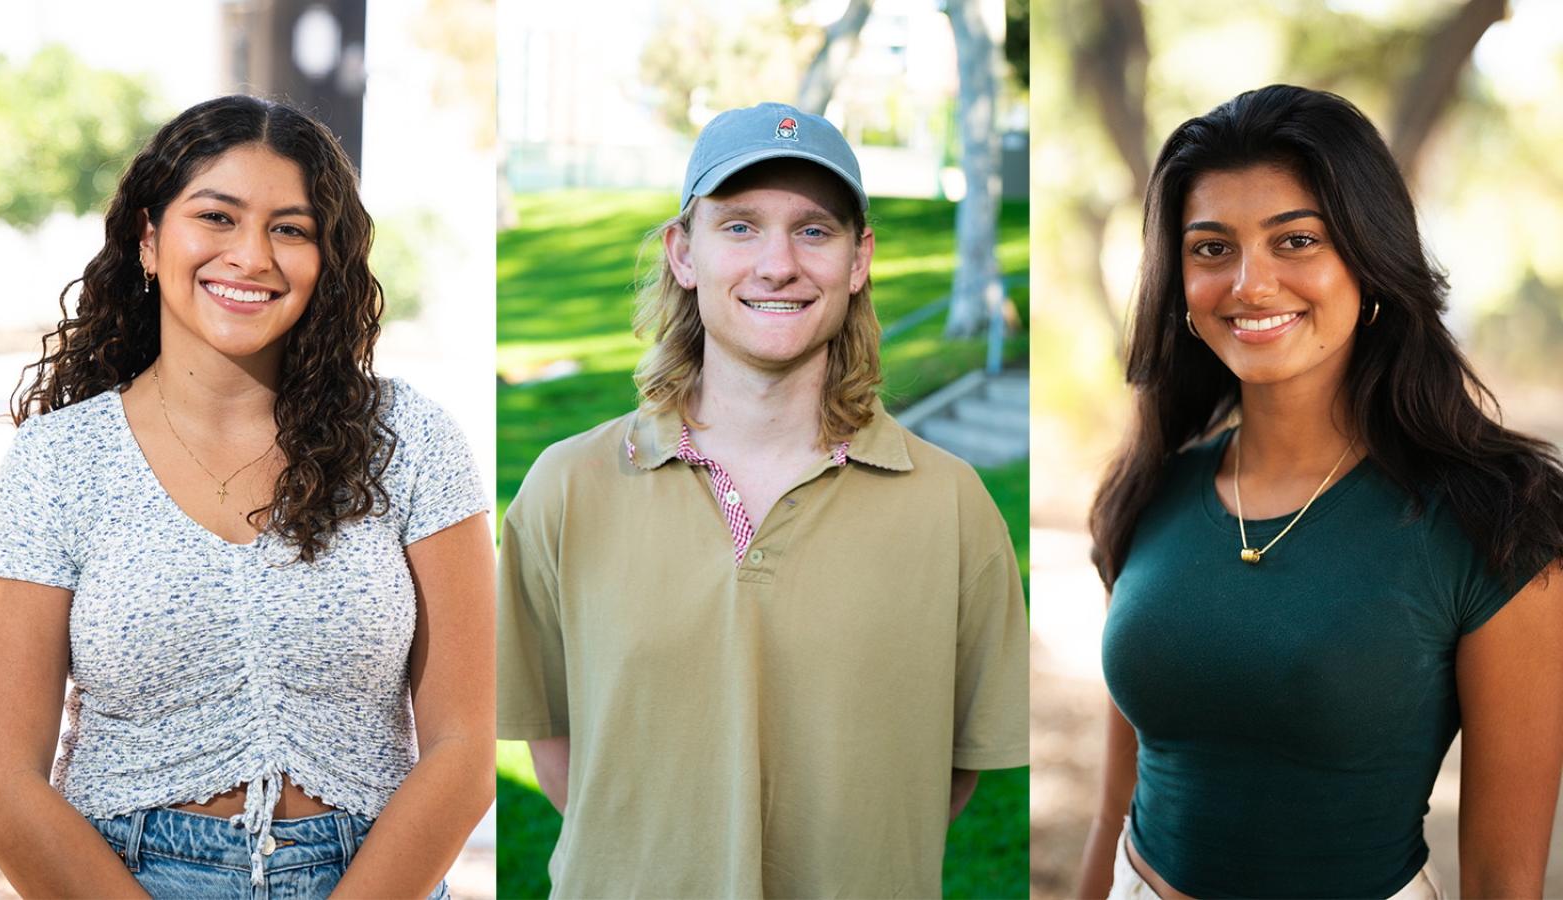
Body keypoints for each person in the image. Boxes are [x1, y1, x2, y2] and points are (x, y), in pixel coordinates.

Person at [0, 95, 495, 898]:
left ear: (327, 259)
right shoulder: (58, 461)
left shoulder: (410, 441)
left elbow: (471, 740)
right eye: (217, 217)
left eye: (291, 228)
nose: (252, 256)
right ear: (148, 237)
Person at [496, 102, 1029, 897]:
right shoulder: (567, 489)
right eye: (740, 226)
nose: (778, 263)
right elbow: (557, 744)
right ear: (684, 253)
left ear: (858, 260)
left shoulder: (952, 507)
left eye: (814, 230)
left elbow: (941, 777)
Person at [1076, 84, 1563, 899]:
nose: (1250, 284)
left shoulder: (1496, 522)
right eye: (1210, 248)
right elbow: (1111, 809)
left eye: (1295, 240)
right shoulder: (1150, 487)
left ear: (1369, 261)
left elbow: (1500, 880)